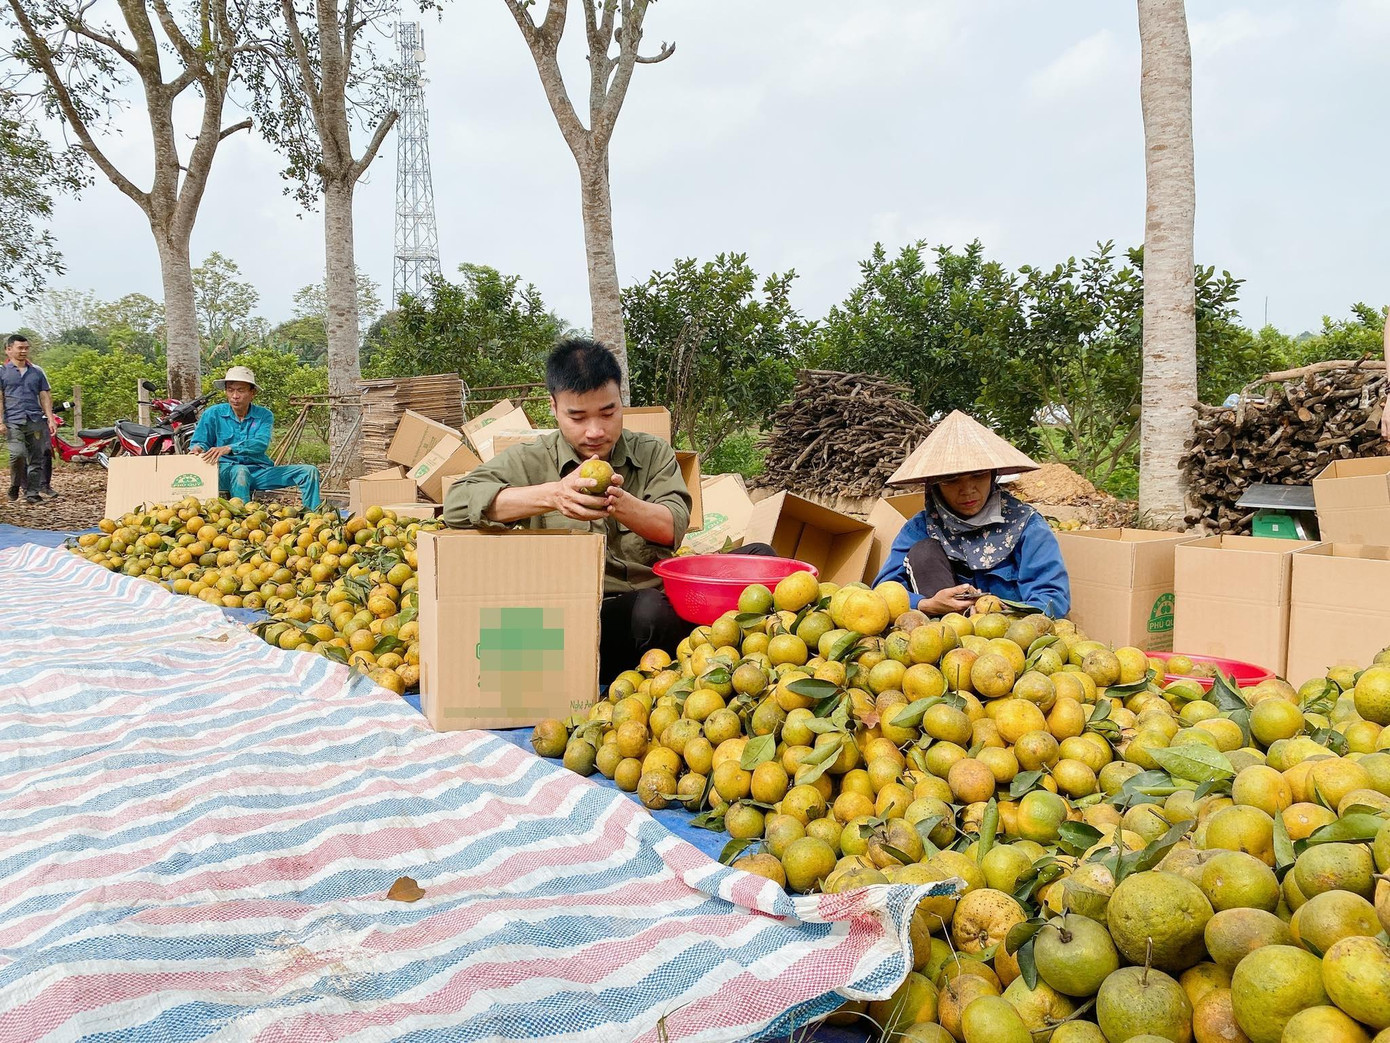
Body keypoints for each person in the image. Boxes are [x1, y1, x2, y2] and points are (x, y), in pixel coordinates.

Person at [444, 337, 772, 683]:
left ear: (621, 402)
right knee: (651, 614)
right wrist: (551, 495)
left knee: (761, 561)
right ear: (554, 407)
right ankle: (676, 654)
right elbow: (456, 504)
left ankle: (713, 649)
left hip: (662, 593)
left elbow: (672, 527)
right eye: (577, 417)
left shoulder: (651, 453)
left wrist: (621, 503)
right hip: (591, 617)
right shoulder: (531, 459)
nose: (595, 431)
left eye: (608, 412)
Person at [874, 410, 1070, 618]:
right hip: (941, 636)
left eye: (978, 475)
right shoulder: (922, 527)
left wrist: (1002, 612)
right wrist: (926, 604)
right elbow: (884, 592)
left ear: (993, 476)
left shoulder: (1025, 525)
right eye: (951, 479)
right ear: (935, 486)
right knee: (924, 551)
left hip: (1009, 638)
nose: (967, 489)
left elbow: (1052, 597)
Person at [187, 365, 322, 509]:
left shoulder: (264, 415)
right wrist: (197, 448)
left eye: (241, 390)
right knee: (240, 471)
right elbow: (200, 442)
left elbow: (261, 443)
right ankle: (244, 523)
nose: (235, 396)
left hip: (258, 471)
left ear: (253, 393)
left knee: (309, 471)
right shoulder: (213, 413)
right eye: (230, 390)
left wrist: (229, 448)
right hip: (225, 473)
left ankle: (313, 518)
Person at [0, 334, 58, 503]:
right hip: (13, 420)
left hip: (34, 419)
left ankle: (32, 493)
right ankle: (15, 484)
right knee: (17, 454)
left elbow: (44, 395)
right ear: (8, 350)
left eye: (26, 348)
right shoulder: (3, 372)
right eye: (20, 348)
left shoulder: (36, 372)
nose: (24, 351)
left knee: (37, 457)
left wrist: (50, 419)